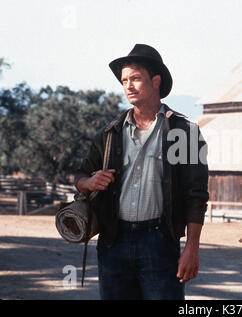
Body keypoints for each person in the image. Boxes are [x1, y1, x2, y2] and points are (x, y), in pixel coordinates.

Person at [75, 44, 209, 300]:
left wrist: (192, 248)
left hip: (159, 242)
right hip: (113, 241)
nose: (128, 85)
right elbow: (79, 177)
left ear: (156, 81)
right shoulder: (111, 132)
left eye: (135, 78)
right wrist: (90, 181)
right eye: (124, 80)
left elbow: (196, 194)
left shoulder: (182, 132)